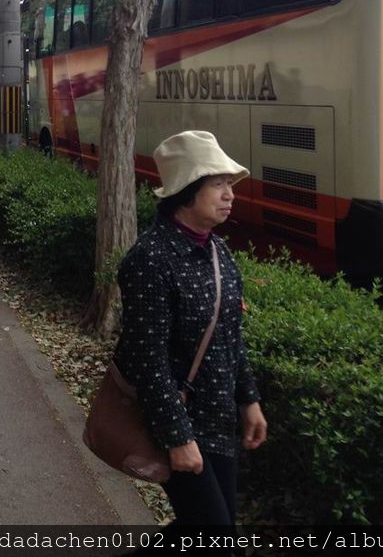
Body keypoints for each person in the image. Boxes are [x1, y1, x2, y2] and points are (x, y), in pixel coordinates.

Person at [113, 130, 267, 535]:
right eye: (218, 184)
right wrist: (177, 436)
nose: (229, 194)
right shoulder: (150, 259)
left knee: (211, 531)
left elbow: (230, 335)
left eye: (229, 185)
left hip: (218, 422)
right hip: (177, 419)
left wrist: (248, 400)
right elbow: (148, 360)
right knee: (213, 533)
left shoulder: (218, 251)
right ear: (186, 191)